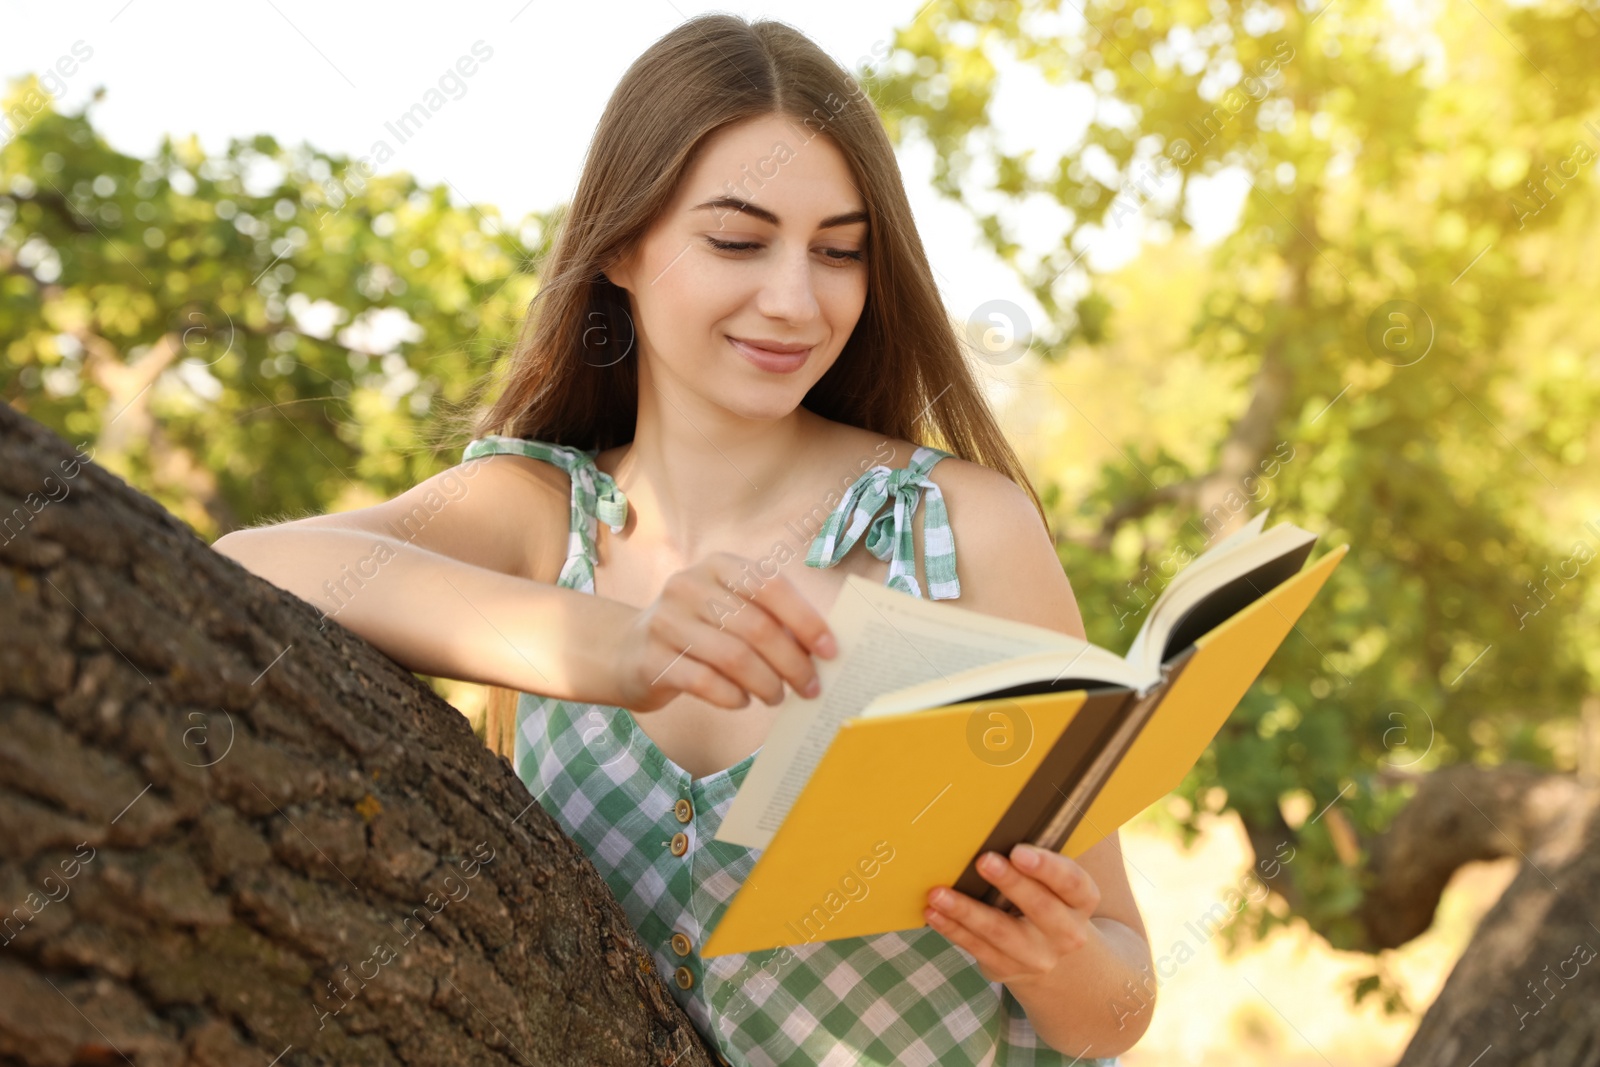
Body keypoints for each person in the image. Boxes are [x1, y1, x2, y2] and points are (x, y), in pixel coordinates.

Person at [216, 13, 1154, 1065]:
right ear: (621, 242)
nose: (795, 299)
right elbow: (251, 568)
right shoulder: (540, 513)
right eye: (737, 241)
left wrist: (1053, 955)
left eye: (839, 251)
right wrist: (612, 647)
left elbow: (1119, 1005)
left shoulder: (958, 528)